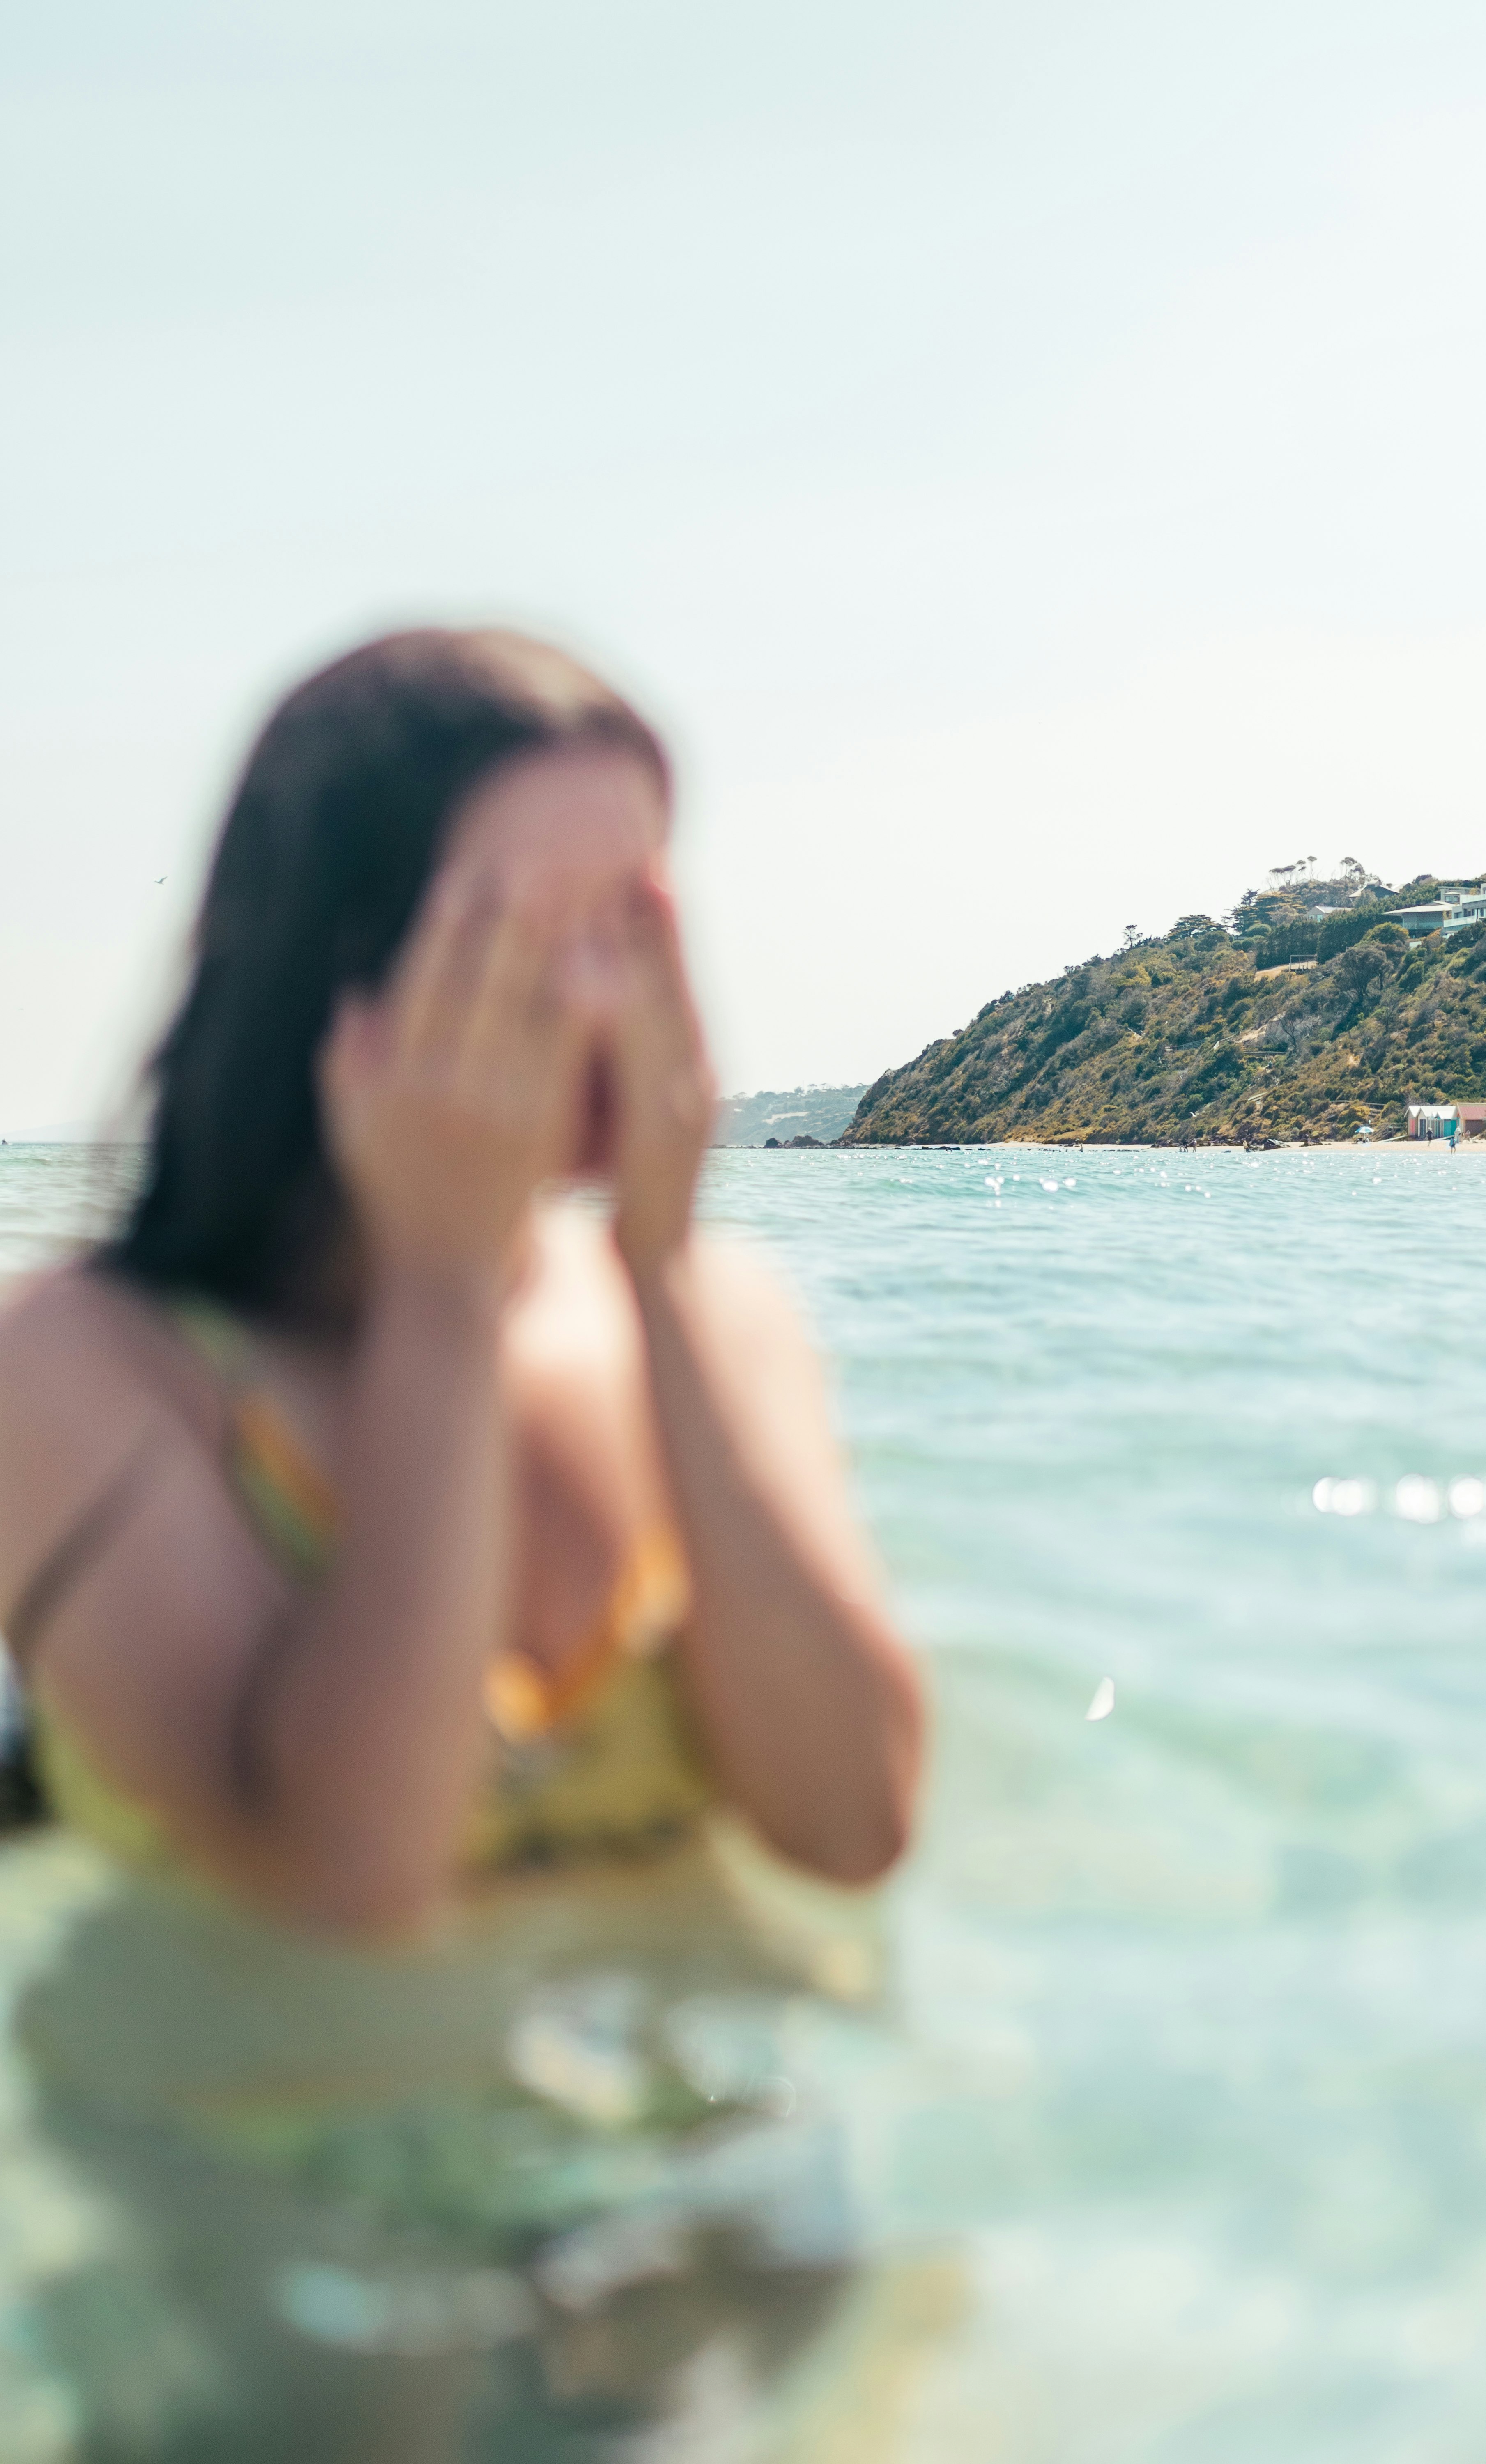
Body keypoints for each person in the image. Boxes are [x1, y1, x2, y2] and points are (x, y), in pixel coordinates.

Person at [0, 630, 923, 2459]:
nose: (599, 993)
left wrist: (658, 1272)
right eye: (528, 925)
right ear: (335, 959)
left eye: (636, 920)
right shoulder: (85, 1369)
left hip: (717, 2218)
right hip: (280, 2258)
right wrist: (437, 1289)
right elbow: (360, 1880)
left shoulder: (711, 1315)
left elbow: (849, 1824)